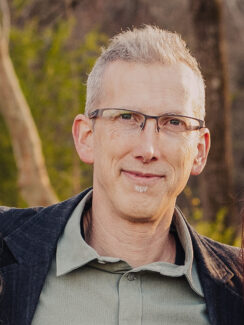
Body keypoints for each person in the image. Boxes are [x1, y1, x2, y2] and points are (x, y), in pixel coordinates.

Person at [0, 25, 243, 325]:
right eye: (127, 117)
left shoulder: (237, 290)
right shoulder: (4, 249)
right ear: (86, 137)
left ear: (200, 150)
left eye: (173, 123)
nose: (148, 148)